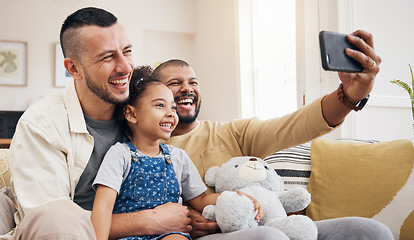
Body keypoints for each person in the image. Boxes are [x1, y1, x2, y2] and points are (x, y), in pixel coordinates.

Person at [151, 31, 393, 240]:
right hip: (211, 235)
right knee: (270, 237)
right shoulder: (145, 146)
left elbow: (296, 125)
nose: (187, 88)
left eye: (193, 82)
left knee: (369, 231)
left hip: (268, 226)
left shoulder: (232, 133)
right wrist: (188, 220)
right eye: (175, 83)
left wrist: (350, 97)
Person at [4, 7, 192, 240]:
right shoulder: (40, 125)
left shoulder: (140, 110)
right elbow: (55, 225)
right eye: (108, 56)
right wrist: (150, 220)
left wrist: (190, 219)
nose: (125, 67)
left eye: (127, 51)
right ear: (74, 69)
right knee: (57, 217)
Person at [90, 67, 262, 240]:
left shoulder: (178, 157)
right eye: (160, 105)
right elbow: (102, 208)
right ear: (131, 114)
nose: (171, 114)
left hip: (170, 234)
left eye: (173, 108)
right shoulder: (120, 154)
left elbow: (201, 200)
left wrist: (234, 197)